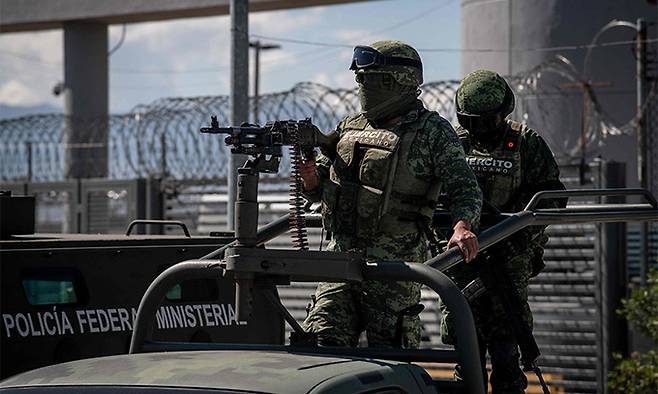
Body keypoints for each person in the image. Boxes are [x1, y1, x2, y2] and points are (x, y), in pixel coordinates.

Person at [299, 40, 483, 348]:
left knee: (392, 358)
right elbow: (318, 185)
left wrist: (462, 226)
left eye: (369, 79)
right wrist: (308, 178)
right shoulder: (349, 126)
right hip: (340, 261)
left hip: (395, 270)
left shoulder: (431, 131)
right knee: (318, 345)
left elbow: (464, 186)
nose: (361, 86)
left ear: (397, 81)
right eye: (360, 79)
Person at [439, 69, 566, 393]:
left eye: (485, 121)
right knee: (466, 356)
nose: (478, 130)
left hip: (507, 263)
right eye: (471, 122)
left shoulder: (525, 143)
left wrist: (516, 235)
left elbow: (552, 197)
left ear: (503, 111)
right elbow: (435, 196)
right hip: (463, 261)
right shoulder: (454, 143)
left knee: (506, 351)